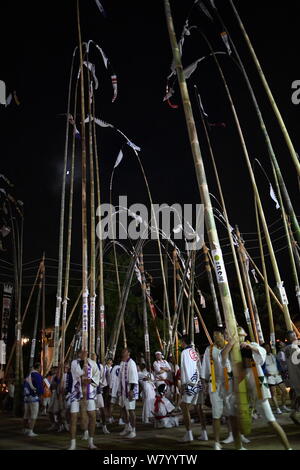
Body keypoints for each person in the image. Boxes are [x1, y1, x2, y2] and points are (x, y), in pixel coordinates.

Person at [223, 326, 292, 450]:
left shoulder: (252, 346)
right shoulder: (231, 351)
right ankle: (239, 446)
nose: (239, 338)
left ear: (244, 336)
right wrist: (230, 346)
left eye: (241, 335)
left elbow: (261, 355)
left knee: (271, 421)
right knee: (233, 417)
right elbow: (222, 361)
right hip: (240, 390)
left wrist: (249, 347)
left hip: (257, 389)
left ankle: (288, 448)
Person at [201, 327, 243, 450]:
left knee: (232, 413)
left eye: (217, 335)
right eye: (214, 336)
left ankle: (236, 439)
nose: (215, 338)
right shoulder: (209, 350)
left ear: (223, 335)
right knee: (216, 414)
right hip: (215, 385)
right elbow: (205, 369)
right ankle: (217, 442)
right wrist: (204, 387)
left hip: (229, 384)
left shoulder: (230, 347)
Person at [68, 350, 100, 450]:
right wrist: (84, 368)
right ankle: (73, 443)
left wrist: (92, 380)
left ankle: (91, 442)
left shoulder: (93, 363)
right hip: (76, 393)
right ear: (79, 354)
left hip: (90, 392)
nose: (84, 354)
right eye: (82, 352)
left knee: (92, 416)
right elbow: (77, 373)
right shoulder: (74, 362)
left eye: (86, 352)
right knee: (73, 417)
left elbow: (97, 375)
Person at [180, 335, 207, 442]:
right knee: (199, 408)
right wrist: (202, 381)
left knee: (184, 406)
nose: (180, 344)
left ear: (183, 342)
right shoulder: (194, 351)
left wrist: (183, 384)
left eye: (181, 342)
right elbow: (199, 366)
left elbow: (183, 368)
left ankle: (189, 433)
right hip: (198, 381)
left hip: (189, 382)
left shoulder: (184, 353)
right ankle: (204, 433)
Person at [262, 343, 290, 414]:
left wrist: (281, 371)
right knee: (273, 393)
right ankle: (277, 409)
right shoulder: (262, 357)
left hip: (277, 375)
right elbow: (261, 367)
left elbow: (279, 365)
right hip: (270, 377)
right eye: (266, 347)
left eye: (268, 347)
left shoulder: (273, 355)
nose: (267, 349)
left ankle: (283, 406)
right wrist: (265, 373)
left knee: (285, 391)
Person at [119, 348, 139, 439]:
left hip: (130, 390)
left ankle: (133, 430)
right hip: (123, 390)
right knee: (123, 409)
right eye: (122, 351)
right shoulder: (122, 363)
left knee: (131, 410)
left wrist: (131, 390)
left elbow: (134, 377)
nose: (123, 353)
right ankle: (127, 427)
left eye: (125, 352)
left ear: (129, 353)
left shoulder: (131, 363)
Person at [23, 362, 44, 437]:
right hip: (34, 397)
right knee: (34, 415)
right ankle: (30, 431)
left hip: (26, 397)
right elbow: (40, 387)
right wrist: (41, 397)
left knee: (26, 414)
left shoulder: (28, 375)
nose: (41, 368)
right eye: (40, 367)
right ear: (38, 368)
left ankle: (25, 429)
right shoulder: (37, 375)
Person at [284, 331, 300, 425]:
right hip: (297, 374)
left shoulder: (286, 349)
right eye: (293, 335)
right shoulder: (294, 348)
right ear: (289, 338)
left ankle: (293, 413)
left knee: (298, 396)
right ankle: (293, 413)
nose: (296, 336)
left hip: (293, 375)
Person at [94, 354, 110, 435]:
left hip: (98, 390)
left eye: (95, 356)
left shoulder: (101, 366)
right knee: (91, 411)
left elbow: (103, 379)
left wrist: (101, 386)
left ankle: (104, 426)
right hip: (90, 391)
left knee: (102, 409)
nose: (94, 358)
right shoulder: (88, 365)